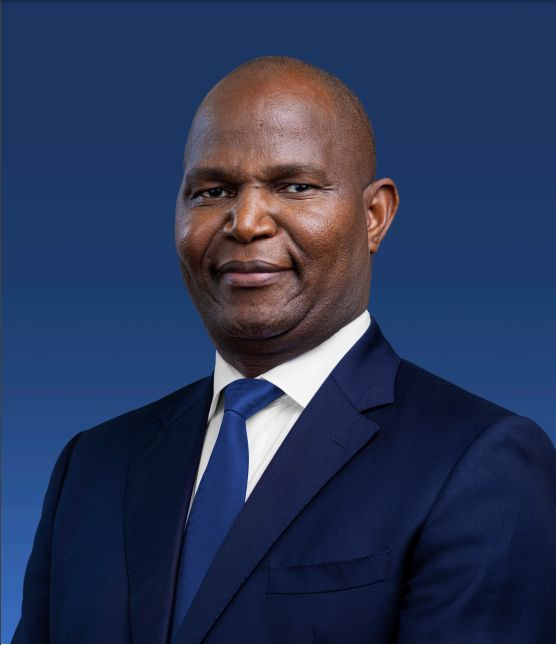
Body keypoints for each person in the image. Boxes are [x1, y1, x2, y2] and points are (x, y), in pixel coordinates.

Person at [14, 56, 556, 644]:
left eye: (295, 186)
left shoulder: (479, 462)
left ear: (374, 216)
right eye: (212, 191)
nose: (245, 222)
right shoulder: (91, 467)